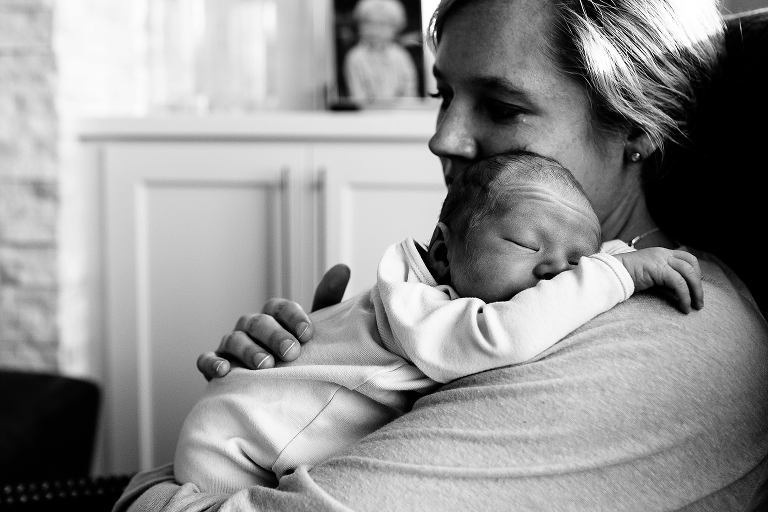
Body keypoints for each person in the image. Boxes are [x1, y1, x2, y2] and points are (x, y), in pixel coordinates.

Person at [116, 0, 768, 510]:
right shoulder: (506, 288)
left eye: (503, 106)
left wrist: (153, 486)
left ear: (637, 125)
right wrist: (295, 393)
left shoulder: (650, 347)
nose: (443, 137)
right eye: (444, 94)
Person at [172, 152, 703, 493]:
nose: (556, 274)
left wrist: (611, 258)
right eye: (524, 243)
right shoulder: (423, 309)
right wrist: (615, 273)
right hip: (229, 450)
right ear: (443, 255)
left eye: (577, 263)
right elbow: (507, 333)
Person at [343, 0, 419, 104]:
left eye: (382, 24)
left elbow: (410, 94)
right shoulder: (355, 57)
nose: (374, 30)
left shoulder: (401, 56)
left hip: (400, 116)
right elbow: (358, 98)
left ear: (396, 28)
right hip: (367, 118)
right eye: (368, 22)